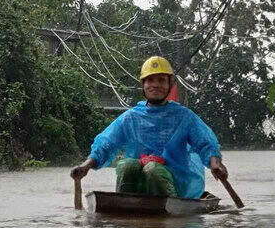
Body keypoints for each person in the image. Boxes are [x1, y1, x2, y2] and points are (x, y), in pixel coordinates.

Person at [69, 56, 228, 199]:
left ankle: (169, 205)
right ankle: (127, 205)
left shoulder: (184, 116)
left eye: (161, 80)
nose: (155, 85)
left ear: (170, 84)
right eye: (150, 80)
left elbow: (205, 144)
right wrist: (85, 166)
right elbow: (106, 145)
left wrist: (215, 164)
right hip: (138, 184)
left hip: (175, 183)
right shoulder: (131, 117)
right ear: (143, 85)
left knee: (153, 169)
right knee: (127, 165)